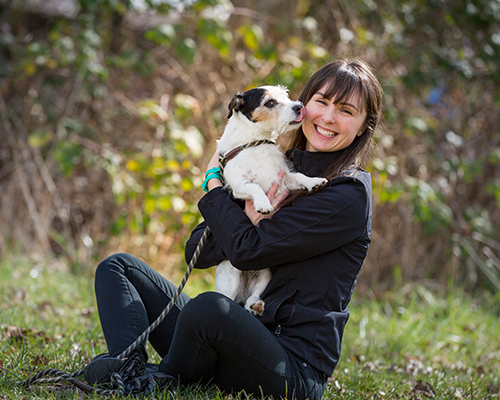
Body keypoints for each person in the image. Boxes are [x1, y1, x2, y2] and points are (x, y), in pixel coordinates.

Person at [84, 58, 383, 400]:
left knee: (209, 308)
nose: (328, 117)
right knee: (119, 268)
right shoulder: (275, 160)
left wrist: (214, 185)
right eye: (322, 102)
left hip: (289, 367)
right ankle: (129, 367)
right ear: (305, 106)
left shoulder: (347, 194)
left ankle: (160, 378)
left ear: (362, 127)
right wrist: (241, 207)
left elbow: (246, 251)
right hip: (232, 331)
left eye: (345, 110)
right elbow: (198, 251)